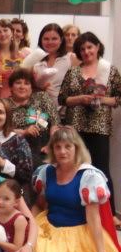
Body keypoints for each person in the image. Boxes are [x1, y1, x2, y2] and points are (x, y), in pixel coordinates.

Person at [32, 127, 121, 252]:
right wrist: (30, 228)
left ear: (77, 148)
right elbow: (40, 205)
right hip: (48, 228)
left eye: (68, 146)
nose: (62, 151)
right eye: (58, 147)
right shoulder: (47, 172)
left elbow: (94, 218)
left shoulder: (88, 176)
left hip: (77, 235)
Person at [59, 32, 121, 227]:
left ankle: (109, 213)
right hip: (75, 127)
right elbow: (62, 99)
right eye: (82, 49)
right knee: (75, 168)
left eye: (89, 47)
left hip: (99, 127)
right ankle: (76, 211)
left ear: (97, 47)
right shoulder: (73, 72)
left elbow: (118, 98)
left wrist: (100, 100)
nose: (86, 52)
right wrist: (80, 99)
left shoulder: (109, 70)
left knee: (101, 170)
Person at [6, 68, 59, 169]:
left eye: (26, 83)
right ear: (11, 87)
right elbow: (1, 130)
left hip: (46, 142)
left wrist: (51, 144)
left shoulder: (41, 97)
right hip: (17, 146)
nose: (22, 87)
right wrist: (24, 132)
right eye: (18, 83)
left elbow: (55, 122)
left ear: (31, 88)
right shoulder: (5, 104)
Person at [0, 98, 33, 196]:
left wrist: (2, 163)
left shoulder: (18, 141)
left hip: (7, 196)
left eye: (0, 112)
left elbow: (26, 175)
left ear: (7, 117)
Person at [32, 23, 78, 107]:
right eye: (46, 39)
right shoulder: (35, 62)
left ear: (61, 40)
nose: (50, 42)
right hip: (40, 109)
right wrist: (39, 88)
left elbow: (77, 87)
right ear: (41, 40)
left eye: (54, 39)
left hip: (64, 110)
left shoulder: (71, 59)